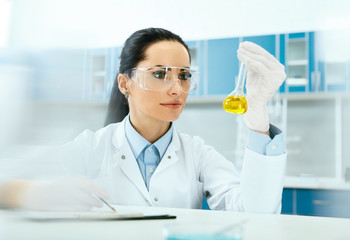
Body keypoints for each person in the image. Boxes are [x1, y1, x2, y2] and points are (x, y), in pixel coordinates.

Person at [0, 28, 286, 213]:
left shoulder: (198, 154)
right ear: (125, 84)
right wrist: (41, 191)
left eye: (184, 75)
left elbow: (256, 215)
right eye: (160, 74)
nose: (176, 88)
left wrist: (258, 111)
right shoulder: (91, 146)